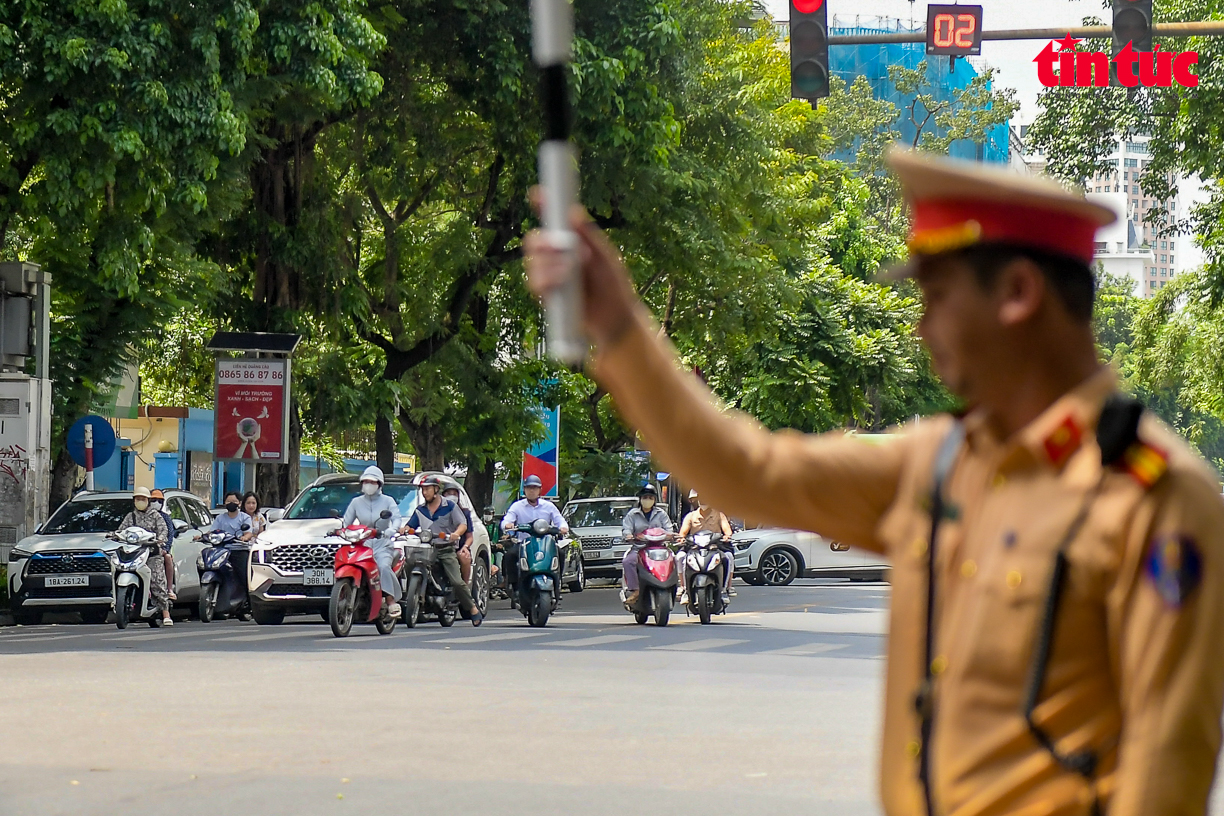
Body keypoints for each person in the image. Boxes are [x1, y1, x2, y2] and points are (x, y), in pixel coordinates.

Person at [524, 147, 1224, 816]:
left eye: (937, 296)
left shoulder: (1152, 499)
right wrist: (618, 325)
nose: (921, 327)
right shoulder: (937, 462)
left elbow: (1165, 769)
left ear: (1017, 293)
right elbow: (740, 471)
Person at [403, 474, 482, 626]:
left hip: (445, 549)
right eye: (423, 490)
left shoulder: (450, 506)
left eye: (428, 489)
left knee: (457, 582)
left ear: (436, 490)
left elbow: (463, 524)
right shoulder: (420, 510)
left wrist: (456, 534)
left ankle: (472, 608)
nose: (425, 492)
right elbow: (410, 525)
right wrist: (404, 529)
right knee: (407, 564)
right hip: (426, 549)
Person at [340, 466, 404, 618]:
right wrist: (340, 530)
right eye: (366, 481)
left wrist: (390, 531)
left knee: (382, 566)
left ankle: (390, 600)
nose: (368, 484)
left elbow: (396, 519)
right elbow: (346, 522)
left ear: (379, 484)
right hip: (363, 544)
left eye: (372, 482)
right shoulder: (356, 502)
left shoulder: (388, 501)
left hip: (382, 543)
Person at [501, 475, 569, 600]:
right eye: (529, 488)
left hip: (545, 543)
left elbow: (560, 520)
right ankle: (515, 587)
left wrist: (563, 528)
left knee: (560, 553)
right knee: (509, 556)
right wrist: (508, 525)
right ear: (524, 490)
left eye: (534, 488)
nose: (531, 490)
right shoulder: (517, 506)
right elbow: (506, 521)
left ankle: (557, 584)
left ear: (540, 490)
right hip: (524, 543)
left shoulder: (549, 506)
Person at [117, 486, 172, 626]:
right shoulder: (131, 516)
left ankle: (166, 613)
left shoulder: (156, 516)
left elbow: (163, 530)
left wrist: (160, 539)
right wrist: (115, 535)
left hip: (152, 553)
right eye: (137, 499)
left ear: (148, 501)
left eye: (143, 499)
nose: (140, 501)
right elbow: (121, 530)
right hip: (134, 553)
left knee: (157, 581)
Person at [619, 483, 673, 606]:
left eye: (650, 498)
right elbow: (626, 529)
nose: (647, 500)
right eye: (645, 497)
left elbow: (669, 529)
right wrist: (629, 535)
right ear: (640, 499)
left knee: (673, 559)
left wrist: (671, 535)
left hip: (659, 548)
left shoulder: (661, 514)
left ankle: (674, 587)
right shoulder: (633, 514)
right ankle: (635, 590)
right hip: (639, 548)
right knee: (628, 562)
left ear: (654, 500)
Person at [677, 488, 735, 604]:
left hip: (715, 547)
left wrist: (727, 536)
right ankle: (684, 588)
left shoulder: (719, 515)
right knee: (680, 557)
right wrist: (682, 539)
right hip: (694, 548)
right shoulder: (691, 516)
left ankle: (726, 588)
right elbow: (682, 533)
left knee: (728, 557)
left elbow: (727, 530)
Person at [441, 482, 475, 585]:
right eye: (448, 493)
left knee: (464, 558)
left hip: (458, 547)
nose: (452, 496)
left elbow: (470, 536)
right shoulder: (437, 512)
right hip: (440, 547)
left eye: (454, 494)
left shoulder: (465, 513)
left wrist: (465, 547)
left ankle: (464, 588)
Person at [149, 489, 177, 602]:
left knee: (168, 558)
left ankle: (169, 589)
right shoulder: (139, 516)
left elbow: (170, 535)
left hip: (161, 549)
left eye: (160, 501)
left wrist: (165, 549)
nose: (157, 503)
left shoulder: (165, 517)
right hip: (144, 549)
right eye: (154, 500)